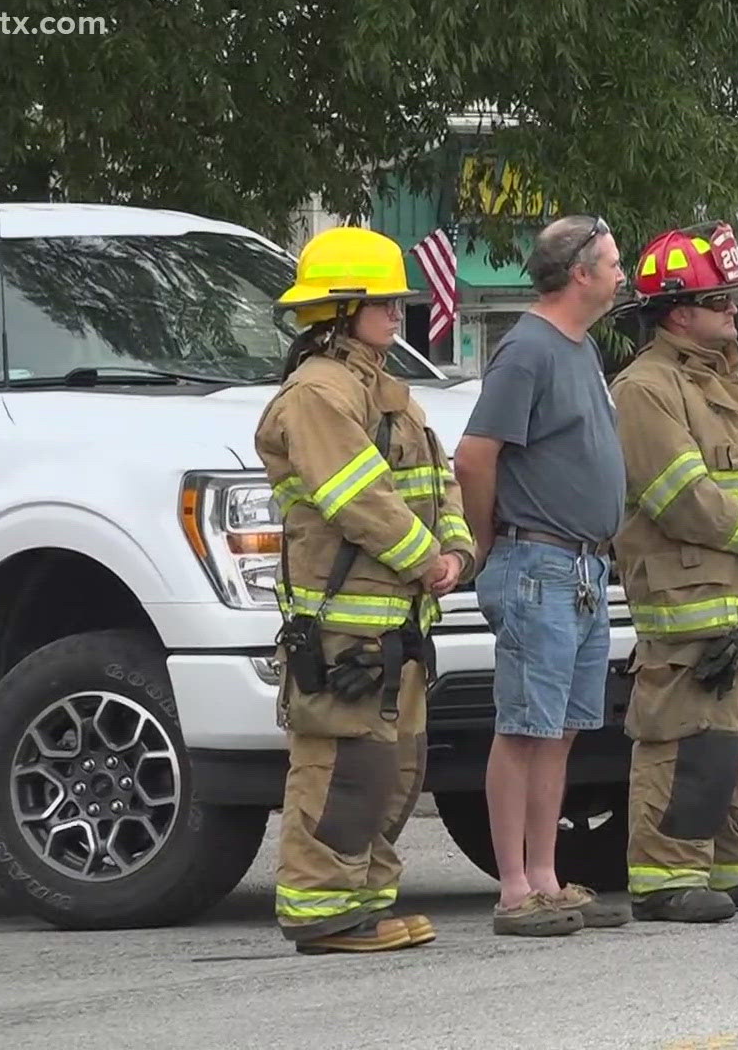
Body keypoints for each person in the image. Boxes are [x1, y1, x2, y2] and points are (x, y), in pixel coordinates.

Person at [255, 226, 475, 953]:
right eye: (382, 300)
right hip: (344, 619)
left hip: (395, 619)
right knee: (342, 765)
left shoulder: (385, 390)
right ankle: (321, 910)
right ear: (342, 307)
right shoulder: (318, 394)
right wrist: (426, 559)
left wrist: (457, 548)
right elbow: (357, 496)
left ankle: (366, 900)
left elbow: (436, 481)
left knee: (390, 768)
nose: (396, 310)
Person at [609, 220, 738, 923]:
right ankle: (665, 878)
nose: (733, 311)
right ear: (676, 311)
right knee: (688, 743)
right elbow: (677, 494)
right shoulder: (646, 389)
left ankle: (733, 866)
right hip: (687, 601)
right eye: (720, 300)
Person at [453, 215, 633, 937]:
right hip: (537, 564)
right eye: (614, 263)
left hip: (582, 567)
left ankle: (547, 877)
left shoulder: (580, 346)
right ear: (580, 272)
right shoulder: (526, 350)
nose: (623, 274)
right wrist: (489, 544)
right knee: (525, 728)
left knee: (559, 730)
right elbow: (475, 455)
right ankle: (514, 888)